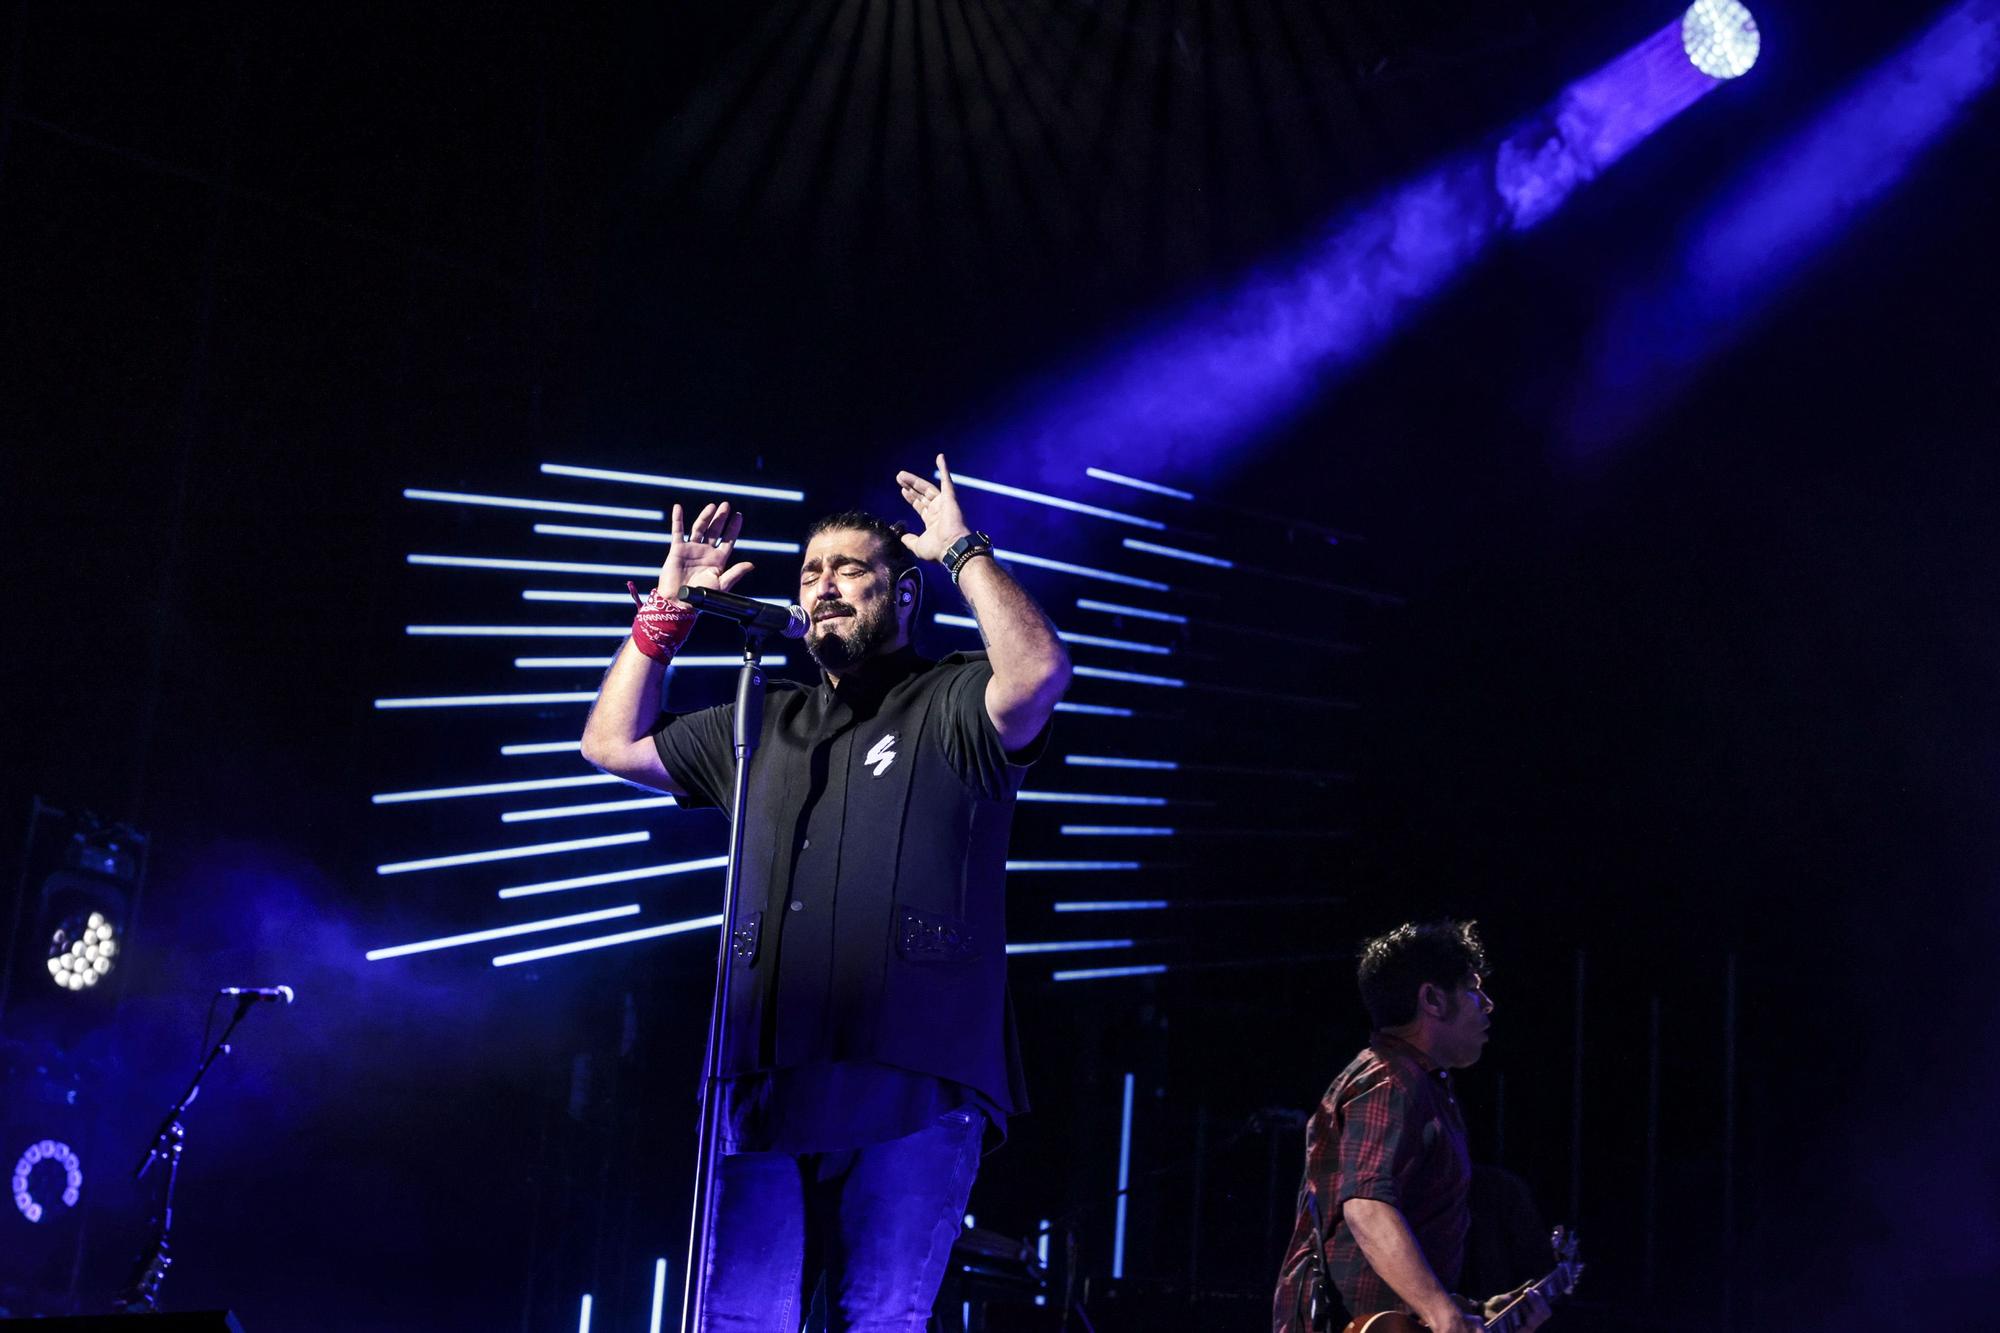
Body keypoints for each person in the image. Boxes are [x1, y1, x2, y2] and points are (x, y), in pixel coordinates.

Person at [579, 454, 1070, 1332]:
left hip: (913, 1074)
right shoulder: (761, 719)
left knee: (873, 1318)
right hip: (762, 1077)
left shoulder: (952, 696)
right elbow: (611, 743)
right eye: (811, 572)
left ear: (905, 594)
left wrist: (963, 552)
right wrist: (668, 613)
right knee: (735, 1318)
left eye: (851, 568)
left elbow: (1036, 672)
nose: (825, 585)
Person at [1272, 921, 1552, 1333]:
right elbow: (1366, 1205)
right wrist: (1442, 1313)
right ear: (1432, 999)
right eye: (1473, 988)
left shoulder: (1420, 1084)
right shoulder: (1389, 1081)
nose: (1487, 1004)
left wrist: (1466, 1310)